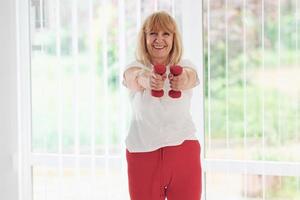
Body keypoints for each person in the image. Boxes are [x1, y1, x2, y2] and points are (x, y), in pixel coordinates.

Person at [122, 11, 201, 200]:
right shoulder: (135, 66)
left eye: (166, 34)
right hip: (142, 153)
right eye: (153, 34)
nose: (159, 39)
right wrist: (145, 80)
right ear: (144, 38)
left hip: (183, 150)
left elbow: (190, 77)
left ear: (174, 38)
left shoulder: (185, 65)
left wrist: (181, 79)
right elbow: (132, 78)